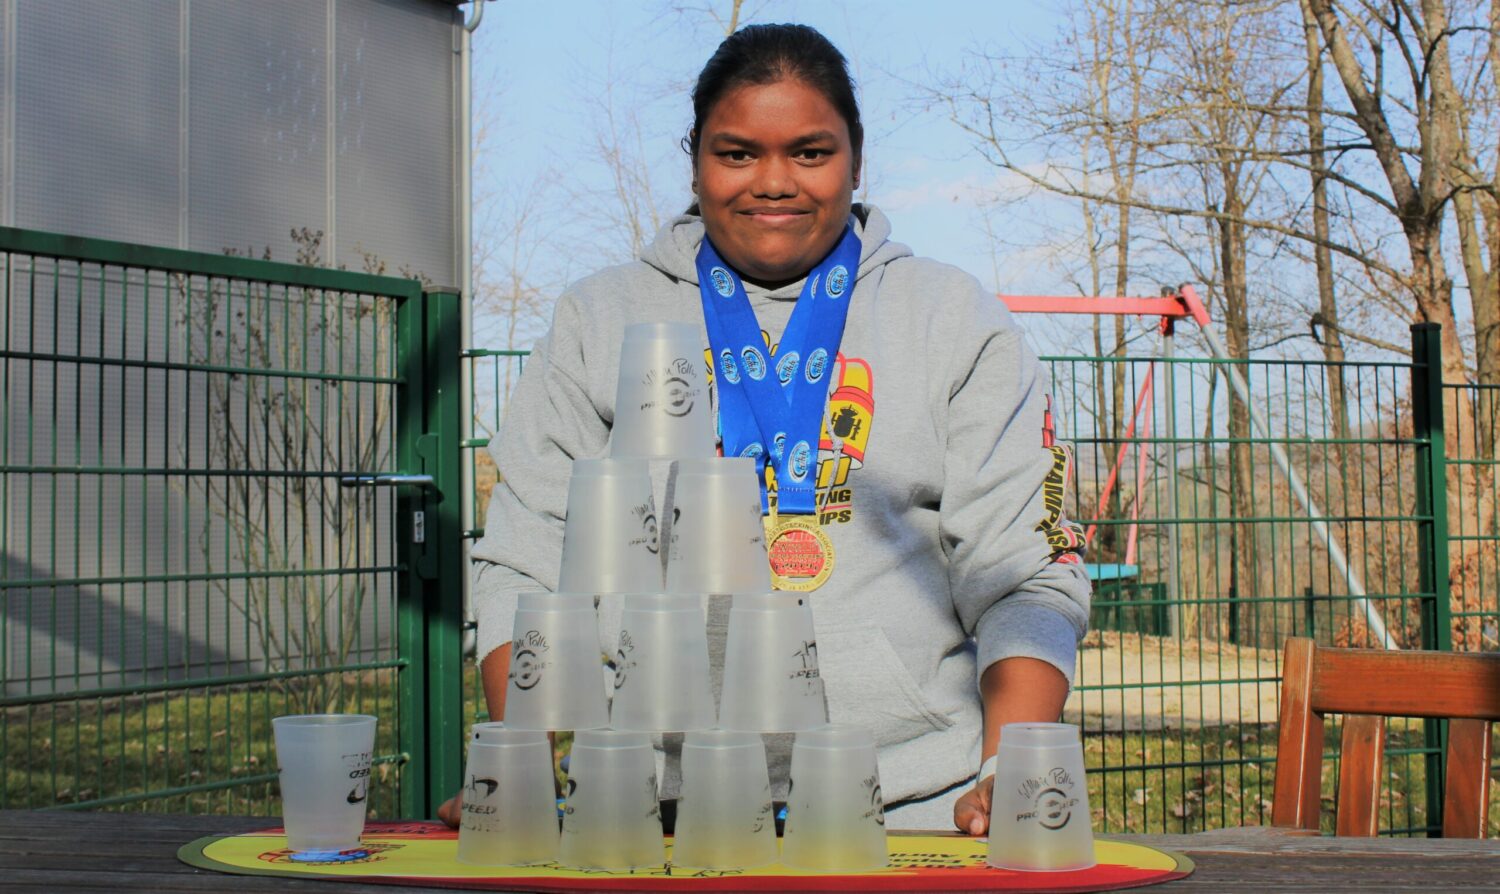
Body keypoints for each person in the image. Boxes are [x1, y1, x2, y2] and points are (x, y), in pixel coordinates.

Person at [439, 22, 1089, 834]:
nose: (774, 182)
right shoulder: (599, 320)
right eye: (738, 152)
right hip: (646, 809)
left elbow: (1024, 568)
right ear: (695, 159)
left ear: (857, 157)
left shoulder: (952, 320)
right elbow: (527, 552)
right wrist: (519, 758)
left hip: (910, 808)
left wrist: (1011, 764)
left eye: (811, 153)